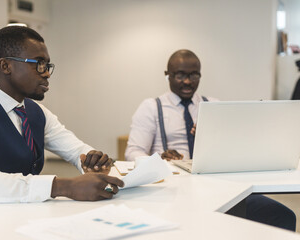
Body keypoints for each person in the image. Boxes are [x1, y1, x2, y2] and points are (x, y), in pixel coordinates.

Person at [0, 26, 124, 215]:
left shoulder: (35, 111)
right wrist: (63, 186)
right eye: (38, 64)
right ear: (6, 66)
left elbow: (75, 150)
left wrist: (91, 161)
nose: (46, 73)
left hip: (20, 218)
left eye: (47, 66)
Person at [125, 49, 296, 231]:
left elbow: (234, 151)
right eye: (180, 75)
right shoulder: (151, 107)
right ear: (168, 75)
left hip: (217, 187)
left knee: (282, 216)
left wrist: (213, 139)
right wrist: (158, 159)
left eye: (194, 75)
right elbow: (132, 153)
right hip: (173, 190)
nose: (188, 81)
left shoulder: (213, 104)